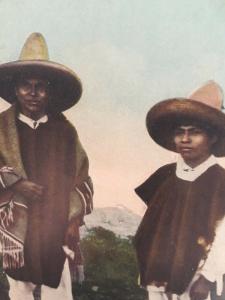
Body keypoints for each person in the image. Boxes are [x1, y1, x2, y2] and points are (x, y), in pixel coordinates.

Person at [0, 32, 93, 300]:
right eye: (25, 85)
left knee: (59, 287)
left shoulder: (64, 130)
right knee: (20, 288)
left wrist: (74, 219)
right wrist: (16, 183)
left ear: (50, 90)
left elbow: (82, 176)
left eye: (40, 86)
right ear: (15, 88)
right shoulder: (2, 128)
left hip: (55, 219)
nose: (32, 93)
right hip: (15, 224)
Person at [134, 81, 225, 300]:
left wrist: (207, 278)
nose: (185, 139)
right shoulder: (165, 176)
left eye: (194, 132)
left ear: (212, 137)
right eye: (179, 132)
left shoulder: (220, 181)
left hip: (197, 280)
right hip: (158, 277)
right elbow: (153, 224)